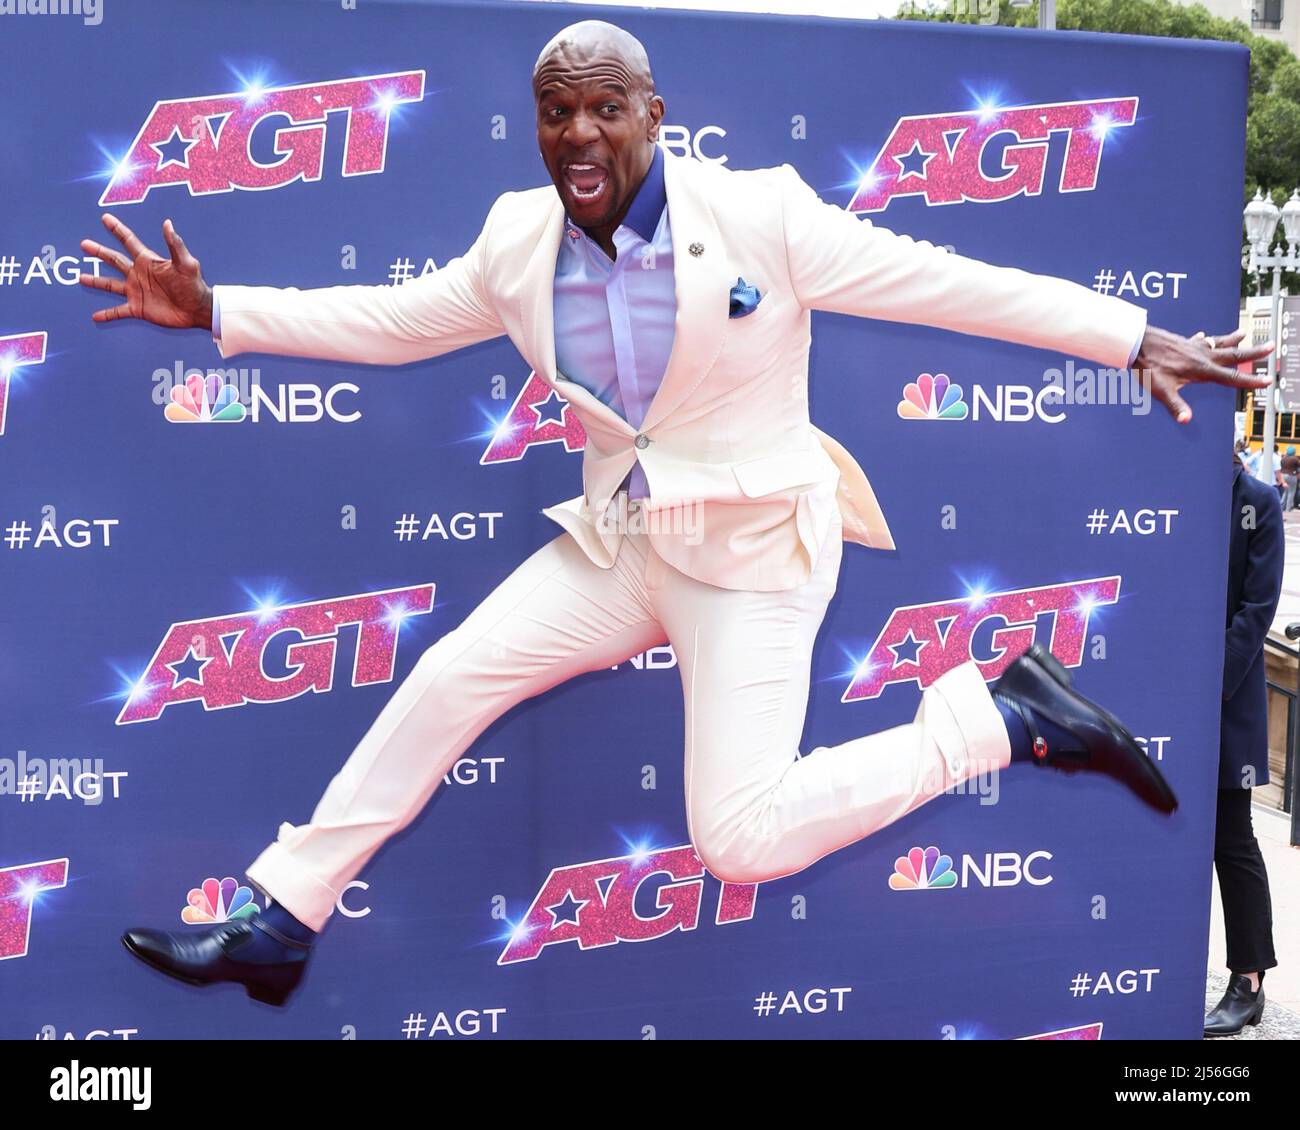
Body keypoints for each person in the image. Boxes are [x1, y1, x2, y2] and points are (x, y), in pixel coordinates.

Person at [79, 20, 1270, 1007]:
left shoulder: (762, 215)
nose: (578, 134)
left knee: (738, 840)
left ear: (654, 111)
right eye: (556, 112)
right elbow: (395, 323)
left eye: (603, 108)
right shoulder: (516, 239)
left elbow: (950, 282)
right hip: (630, 537)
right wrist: (219, 309)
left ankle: (996, 719)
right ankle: (282, 915)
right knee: (451, 673)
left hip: (755, 552)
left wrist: (1130, 336)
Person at [1204, 450, 1284, 1036]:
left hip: (1224, 704)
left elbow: (1257, 613)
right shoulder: (1166, 491)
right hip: (1158, 701)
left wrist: (1204, 687)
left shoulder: (1259, 500)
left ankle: (1248, 979)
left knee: (1232, 837)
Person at [1281, 445, 1299, 511]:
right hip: (1292, 476)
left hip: (1283, 476)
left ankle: (1281, 507)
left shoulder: (1283, 458)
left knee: (1285, 492)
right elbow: (1298, 469)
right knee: (1291, 492)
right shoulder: (1295, 459)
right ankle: (1288, 509)